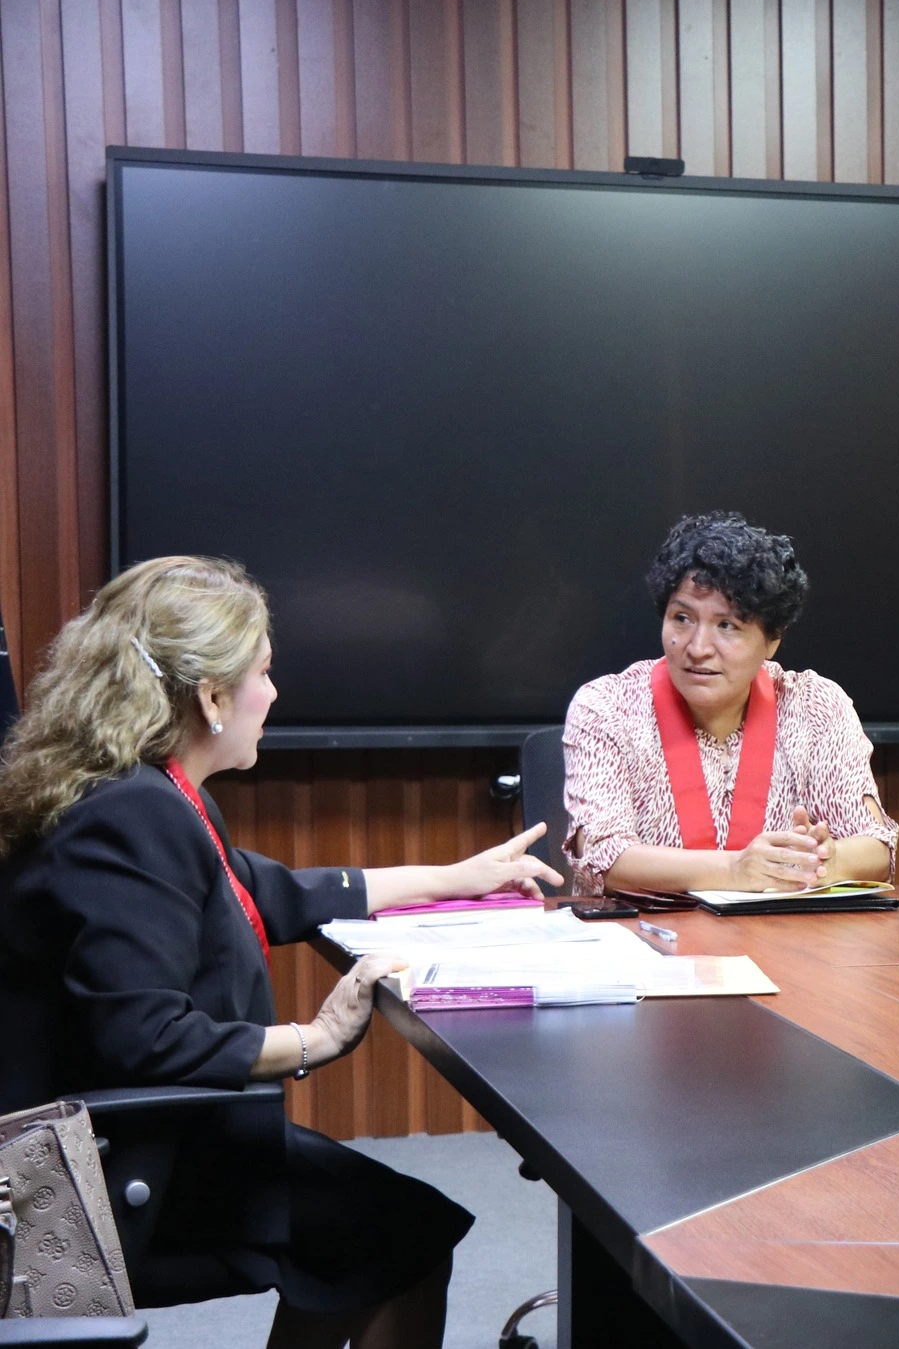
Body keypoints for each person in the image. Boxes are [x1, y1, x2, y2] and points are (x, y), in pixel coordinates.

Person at [0, 556, 563, 1345]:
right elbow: (147, 1038)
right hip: (106, 1176)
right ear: (211, 696)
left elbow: (266, 891)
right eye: (262, 672)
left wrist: (456, 877)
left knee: (378, 1232)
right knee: (400, 1236)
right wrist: (315, 1038)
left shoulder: (145, 792)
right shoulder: (134, 815)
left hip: (133, 1138)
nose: (273, 692)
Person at [564, 511, 898, 898]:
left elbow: (877, 846)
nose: (698, 648)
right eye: (682, 618)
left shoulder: (815, 706)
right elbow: (603, 856)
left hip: (777, 932)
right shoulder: (607, 707)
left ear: (773, 639)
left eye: (727, 626)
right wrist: (735, 871)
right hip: (640, 932)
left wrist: (824, 860)